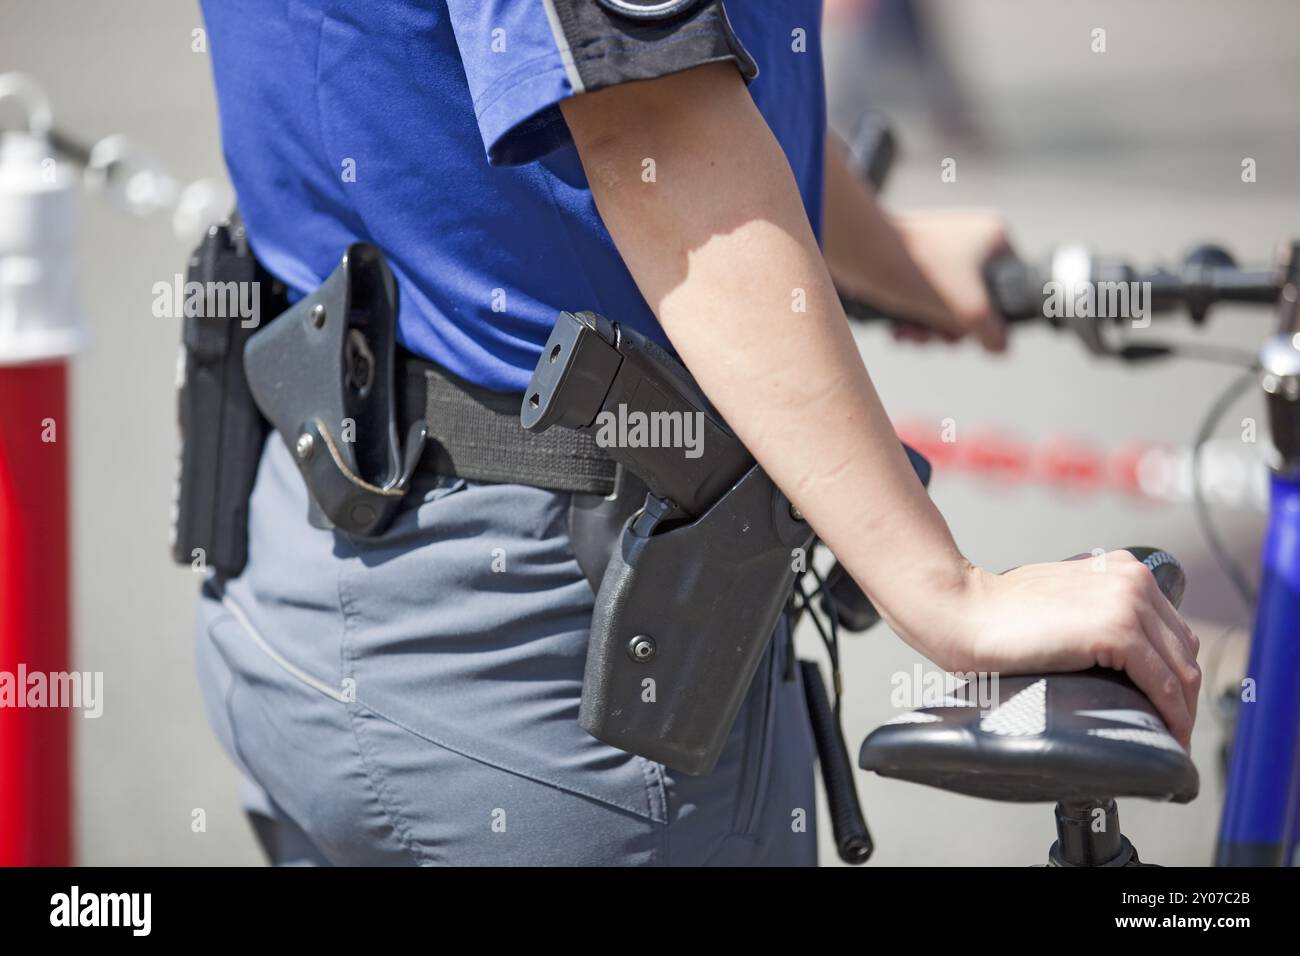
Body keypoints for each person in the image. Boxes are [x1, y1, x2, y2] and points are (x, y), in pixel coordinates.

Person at [192, 0, 1200, 866]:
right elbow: (653, 122)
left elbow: (658, 61)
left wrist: (888, 252)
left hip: (294, 587)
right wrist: (953, 597)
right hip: (548, 676)